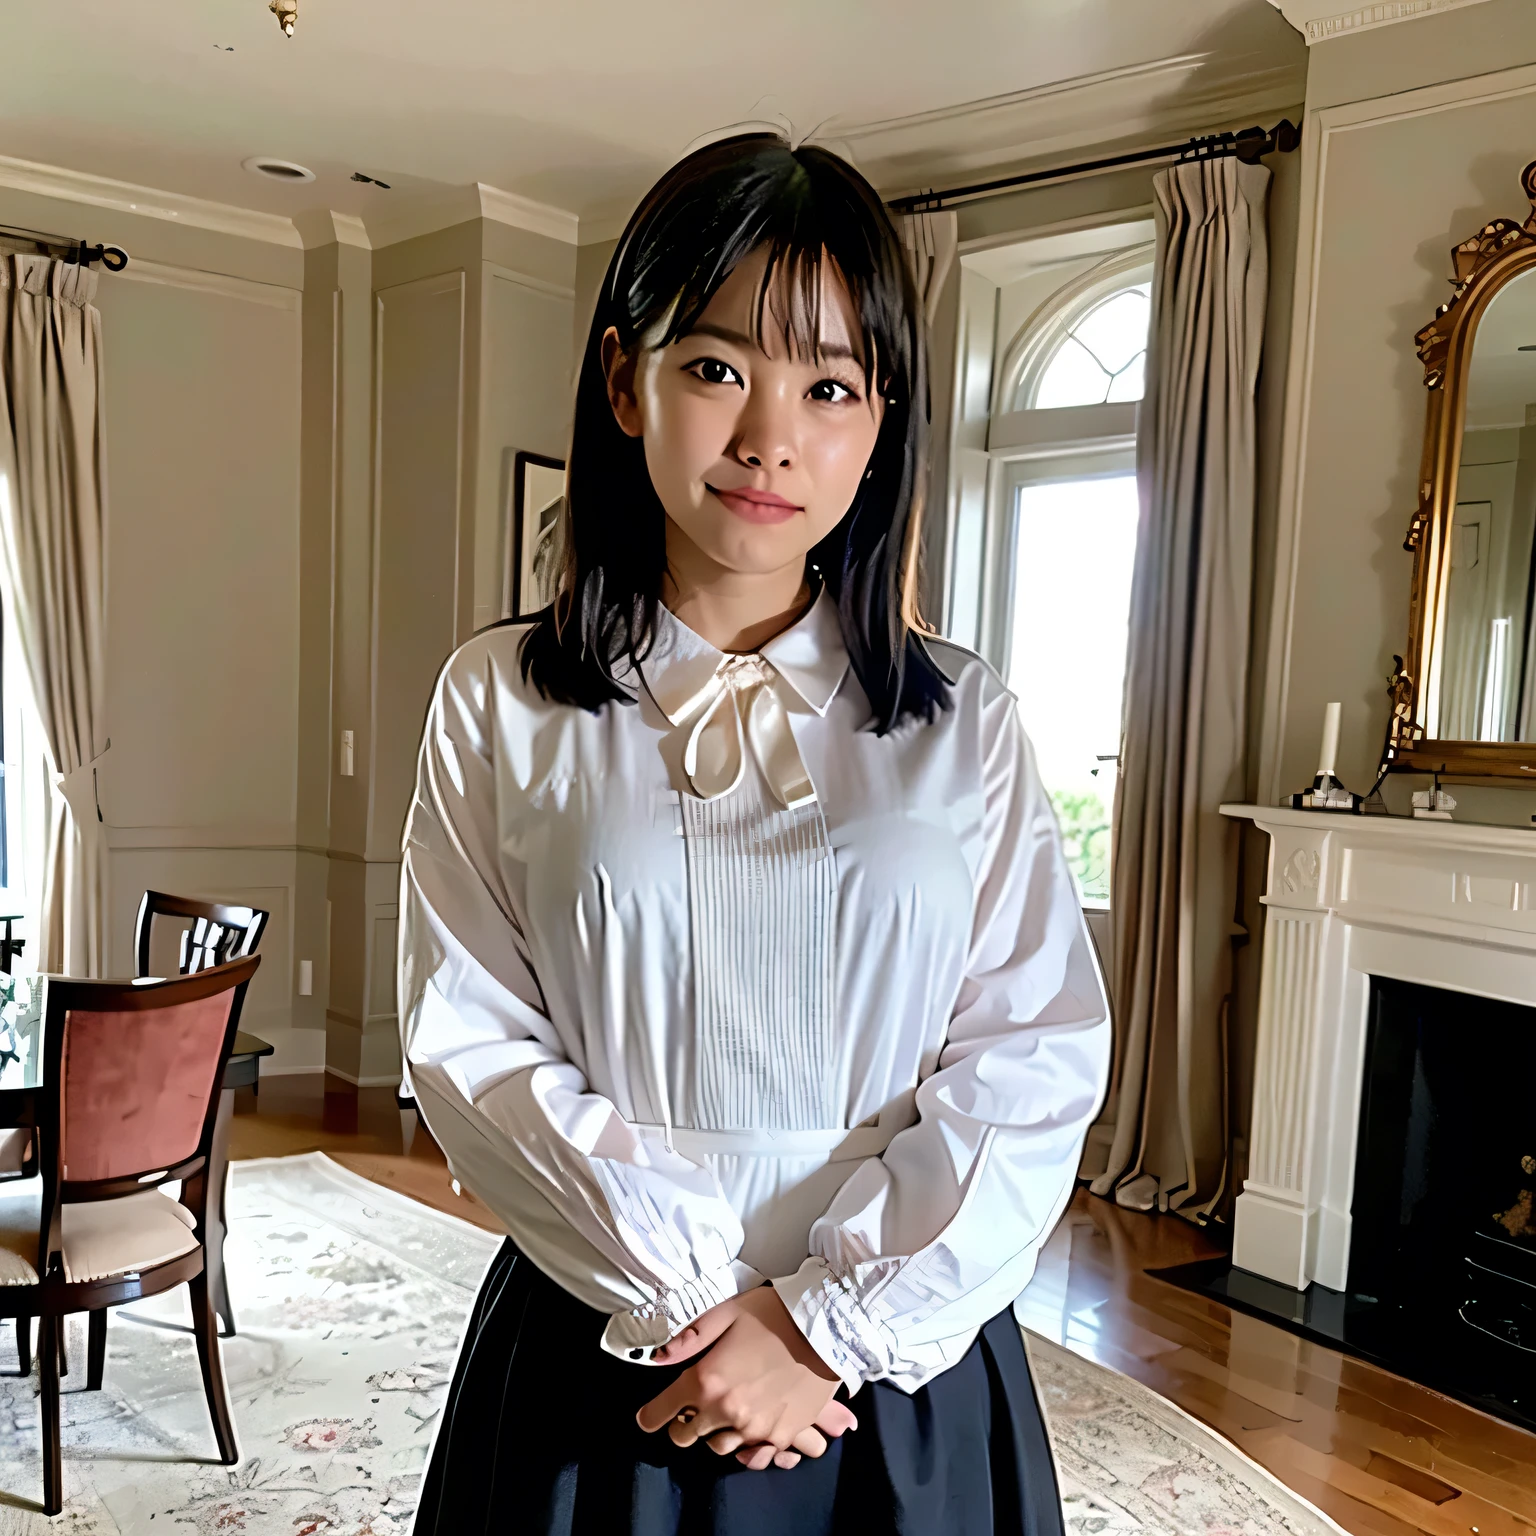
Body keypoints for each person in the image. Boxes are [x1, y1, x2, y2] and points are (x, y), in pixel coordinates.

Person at [398, 132, 1111, 1536]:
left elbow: (1032, 1054)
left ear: (881, 420)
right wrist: (687, 1303)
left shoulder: (964, 716)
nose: (770, 436)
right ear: (625, 381)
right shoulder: (501, 700)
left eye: (828, 385)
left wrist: (819, 1328)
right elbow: (467, 1038)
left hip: (890, 1373)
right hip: (614, 1341)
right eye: (717, 366)